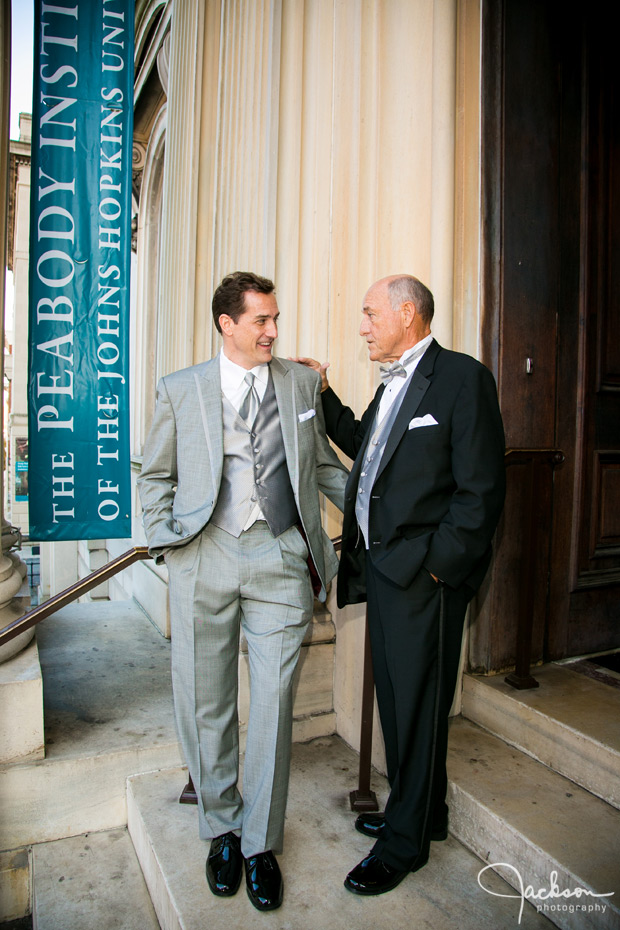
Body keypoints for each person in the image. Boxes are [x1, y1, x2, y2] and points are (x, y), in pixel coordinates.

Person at [137, 271, 348, 911]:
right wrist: (167, 543)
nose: (274, 331)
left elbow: (321, 468)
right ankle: (221, 828)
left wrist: (382, 515)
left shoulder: (302, 382)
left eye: (275, 318)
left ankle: (259, 841)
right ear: (226, 324)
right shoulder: (180, 390)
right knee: (206, 698)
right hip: (204, 552)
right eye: (261, 321)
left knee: (276, 698)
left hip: (279, 552)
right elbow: (155, 477)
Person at [294, 274, 505, 896]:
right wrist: (326, 394)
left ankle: (403, 843)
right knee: (403, 704)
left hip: (424, 580)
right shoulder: (392, 386)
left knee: (414, 709)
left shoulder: (463, 379)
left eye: (369, 314)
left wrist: (439, 569)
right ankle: (428, 813)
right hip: (383, 574)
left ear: (407, 313)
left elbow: (481, 492)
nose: (362, 326)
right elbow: (367, 447)